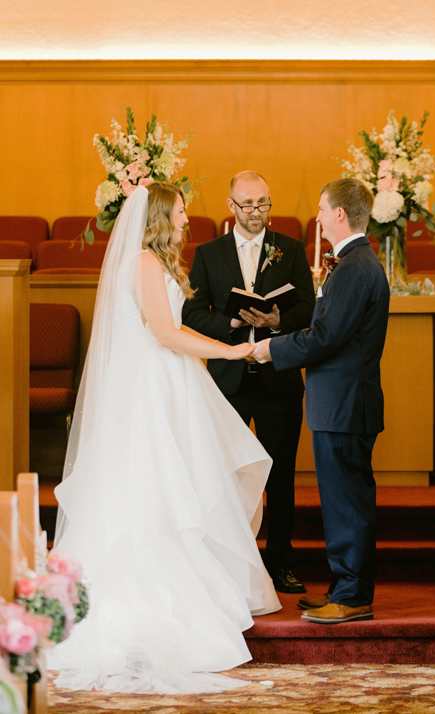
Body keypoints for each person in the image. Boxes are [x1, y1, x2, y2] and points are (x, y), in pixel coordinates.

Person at [48, 183, 281, 694]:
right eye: (178, 212)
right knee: (157, 484)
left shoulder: (154, 262)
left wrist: (220, 348)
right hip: (151, 386)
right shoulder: (144, 263)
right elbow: (165, 334)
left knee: (182, 479)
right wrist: (232, 351)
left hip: (169, 379)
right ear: (158, 217)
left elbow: (174, 329)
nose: (185, 219)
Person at [252, 178, 390, 624]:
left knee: (347, 501)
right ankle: (343, 586)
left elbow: (327, 337)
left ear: (340, 215)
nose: (317, 218)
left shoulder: (354, 267)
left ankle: (352, 597)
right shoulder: (353, 262)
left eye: (322, 209)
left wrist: (272, 349)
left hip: (344, 402)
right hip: (341, 400)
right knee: (342, 499)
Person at [182, 171, 315, 594]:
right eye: (248, 205)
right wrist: (232, 323)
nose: (256, 212)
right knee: (227, 475)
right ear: (231, 205)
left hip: (279, 380)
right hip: (229, 383)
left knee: (280, 475)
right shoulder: (208, 254)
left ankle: (281, 561)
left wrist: (278, 320)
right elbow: (192, 314)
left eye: (263, 203)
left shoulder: (290, 249)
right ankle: (231, 564)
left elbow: (309, 309)